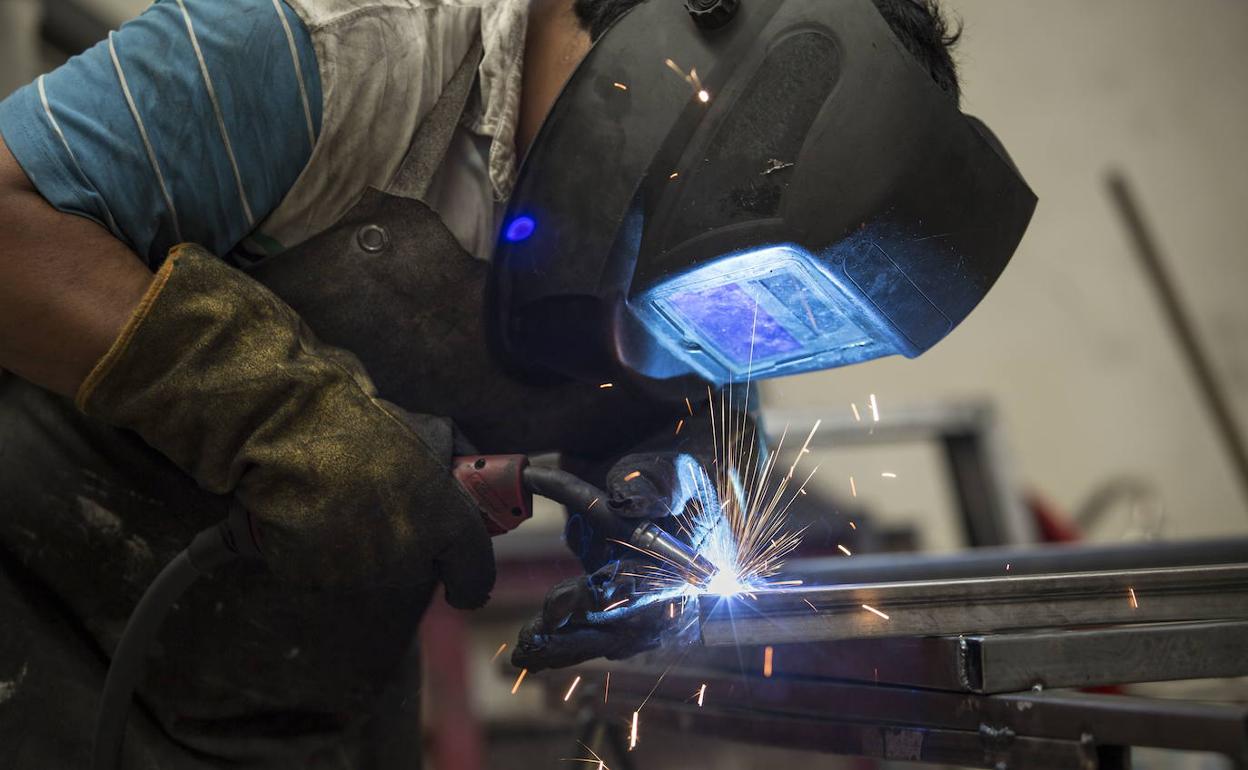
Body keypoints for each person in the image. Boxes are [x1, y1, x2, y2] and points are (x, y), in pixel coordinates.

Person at [0, 0, 964, 766]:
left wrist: (687, 487)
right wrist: (279, 417)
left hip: (316, 704)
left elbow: (704, 409)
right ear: (665, 66)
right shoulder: (330, 47)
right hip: (36, 624)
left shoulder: (722, 201)